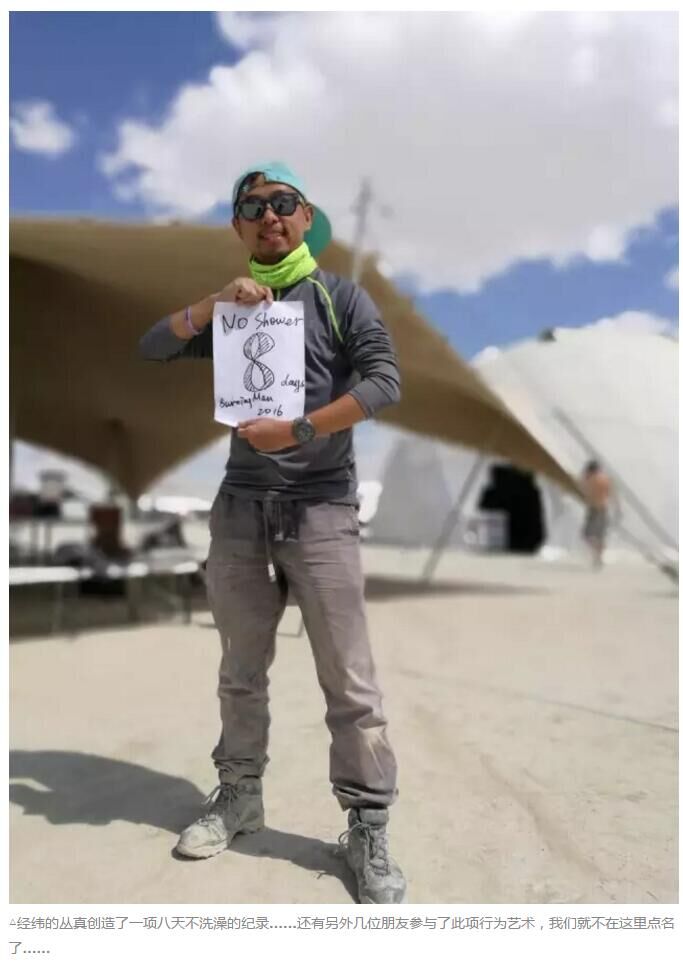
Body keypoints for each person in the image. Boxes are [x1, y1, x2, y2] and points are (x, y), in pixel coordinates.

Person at [139, 162, 405, 904]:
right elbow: (154, 345)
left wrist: (299, 429)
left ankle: (368, 825)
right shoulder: (234, 311)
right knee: (240, 669)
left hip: (321, 508)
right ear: (238, 226)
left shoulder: (340, 297)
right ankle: (238, 797)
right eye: (252, 207)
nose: (269, 215)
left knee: (349, 680)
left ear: (306, 216)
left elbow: (384, 381)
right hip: (240, 511)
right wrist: (212, 305)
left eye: (283, 203)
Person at [580, 460, 615, 568]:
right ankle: (599, 558)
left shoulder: (590, 479)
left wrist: (584, 479)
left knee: (587, 535)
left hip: (594, 510)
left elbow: (584, 491)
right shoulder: (605, 479)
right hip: (604, 509)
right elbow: (610, 494)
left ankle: (596, 556)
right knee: (600, 536)